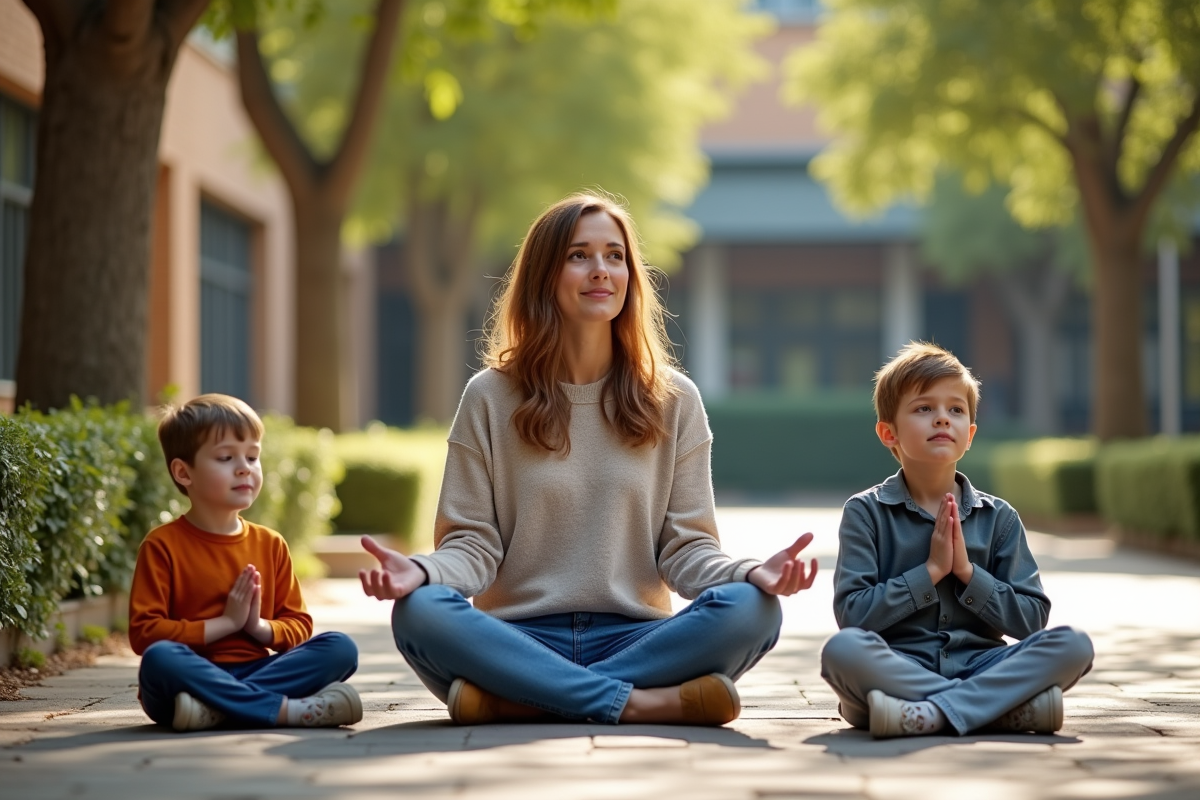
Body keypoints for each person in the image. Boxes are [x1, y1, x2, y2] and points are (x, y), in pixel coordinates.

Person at [358, 192, 819, 726]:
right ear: (544, 276)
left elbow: (686, 549)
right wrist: (419, 572)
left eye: (615, 255)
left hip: (637, 634)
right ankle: (641, 703)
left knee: (751, 609)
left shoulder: (674, 400)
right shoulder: (488, 397)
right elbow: (472, 546)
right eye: (579, 255)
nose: (601, 270)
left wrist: (750, 572)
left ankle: (516, 701)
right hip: (517, 636)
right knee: (420, 611)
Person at [820, 342, 1094, 738]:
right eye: (924, 408)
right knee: (842, 652)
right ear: (888, 432)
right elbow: (853, 617)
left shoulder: (999, 518)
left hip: (985, 664)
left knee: (1074, 645)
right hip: (897, 666)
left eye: (956, 410)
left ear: (970, 434)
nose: (942, 419)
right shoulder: (866, 513)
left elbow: (1033, 620)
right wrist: (930, 572)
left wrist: (967, 573)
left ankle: (921, 714)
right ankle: (998, 711)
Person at [130, 394, 362, 732]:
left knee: (341, 648)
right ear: (183, 472)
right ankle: (287, 712)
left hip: (256, 671)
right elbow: (145, 634)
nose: (244, 468)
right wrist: (225, 623)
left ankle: (215, 711)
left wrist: (257, 627)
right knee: (159, 659)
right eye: (226, 458)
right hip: (189, 676)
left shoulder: (270, 544)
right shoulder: (162, 545)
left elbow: (298, 625)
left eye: (253, 457)